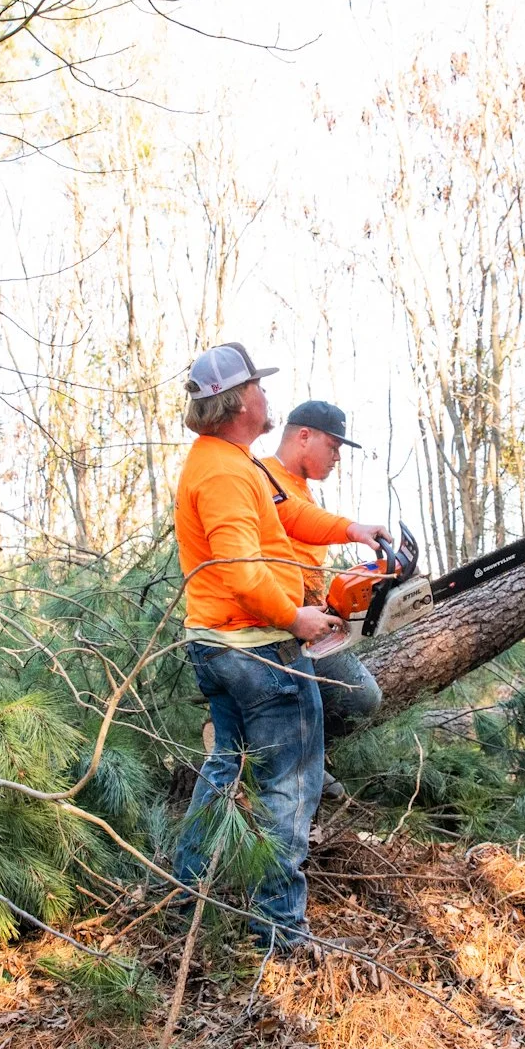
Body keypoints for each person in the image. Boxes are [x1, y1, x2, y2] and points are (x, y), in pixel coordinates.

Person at [170, 343, 389, 952]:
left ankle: (184, 896)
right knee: (291, 789)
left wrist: (352, 529)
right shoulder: (221, 473)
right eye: (261, 388)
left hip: (226, 643)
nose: (269, 397)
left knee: (224, 769)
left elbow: (291, 519)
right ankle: (280, 931)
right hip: (255, 648)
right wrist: (297, 619)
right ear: (240, 402)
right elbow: (239, 568)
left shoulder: (234, 463)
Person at [261, 401, 385, 739]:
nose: (337, 457)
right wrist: (354, 529)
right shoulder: (264, 477)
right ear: (304, 436)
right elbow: (294, 523)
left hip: (307, 617)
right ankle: (286, 753)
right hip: (281, 625)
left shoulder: (302, 491)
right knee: (363, 698)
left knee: (360, 700)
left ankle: (302, 759)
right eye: (333, 446)